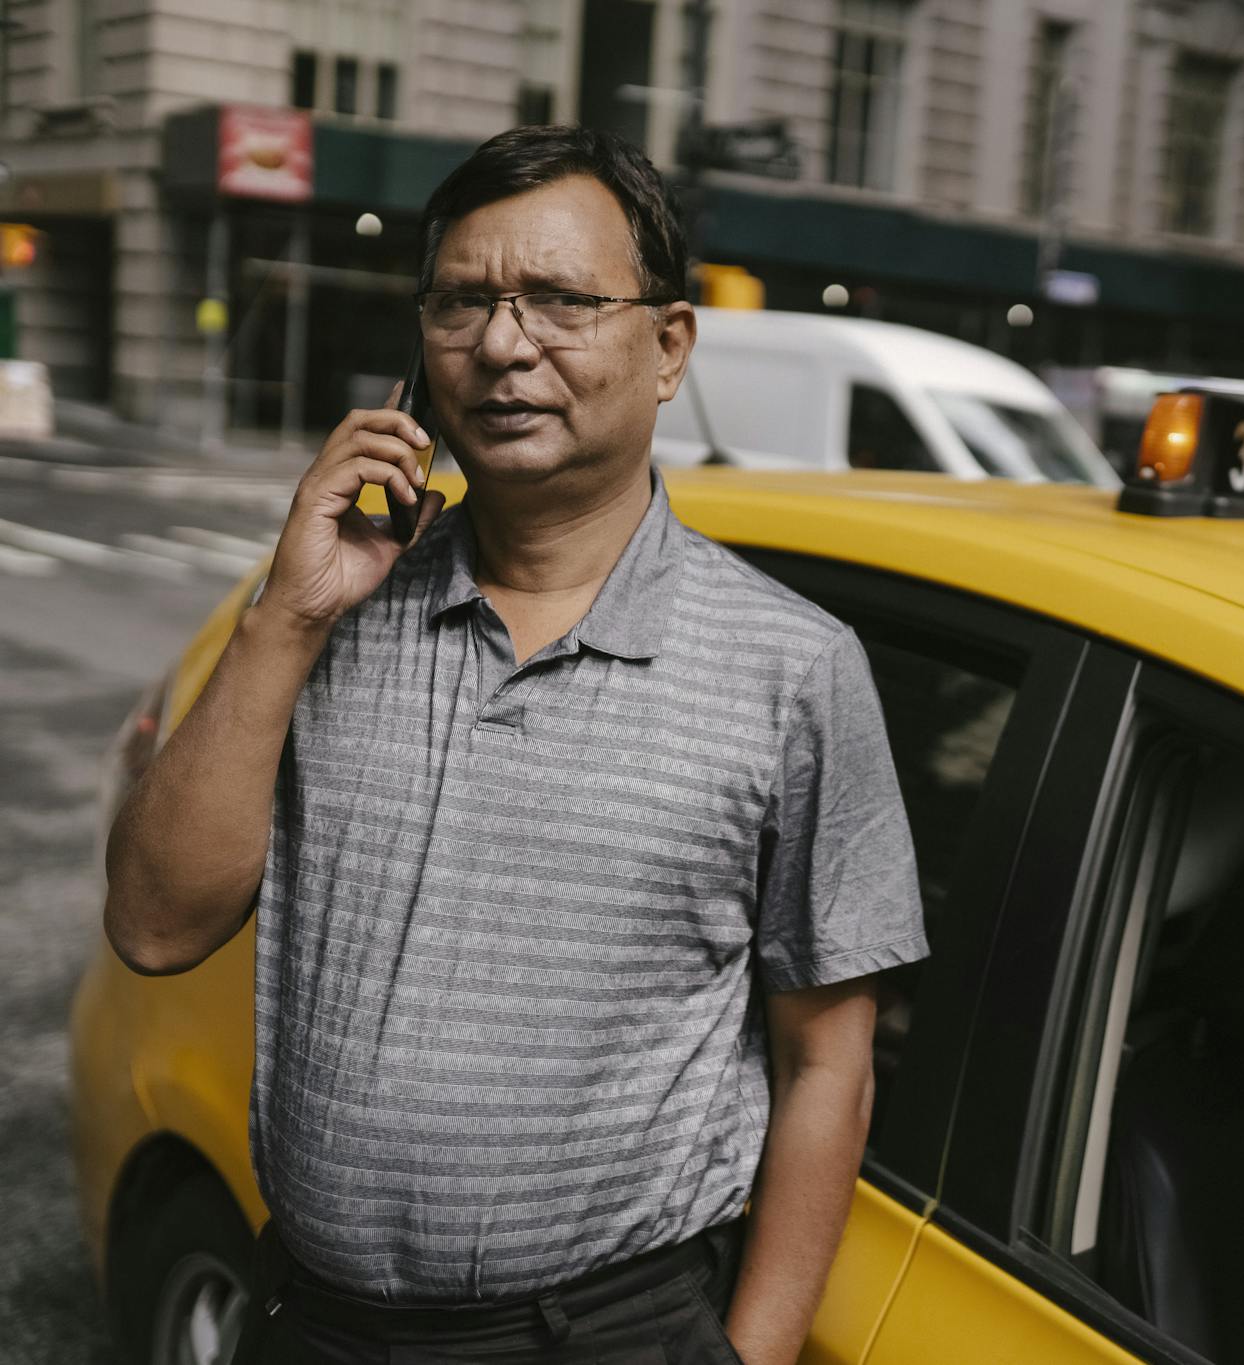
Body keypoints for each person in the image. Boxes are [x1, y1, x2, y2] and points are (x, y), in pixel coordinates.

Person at [101, 125, 927, 1364]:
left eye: (559, 301)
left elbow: (828, 1066)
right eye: (462, 302)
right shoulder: (328, 613)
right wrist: (288, 615)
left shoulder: (792, 670)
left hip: (601, 1335)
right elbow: (155, 926)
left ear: (668, 347)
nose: (500, 345)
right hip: (314, 1323)